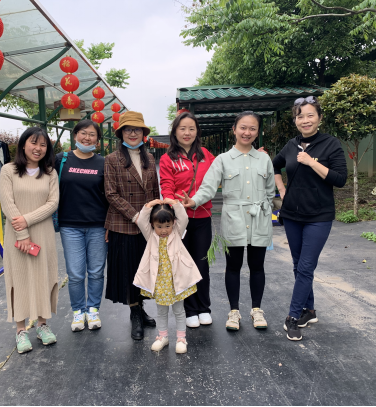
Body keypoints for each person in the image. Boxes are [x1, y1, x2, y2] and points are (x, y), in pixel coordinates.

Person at [179, 111, 275, 331]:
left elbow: (270, 191)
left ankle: (257, 310)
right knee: (233, 266)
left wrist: (266, 209)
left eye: (252, 128)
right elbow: (208, 187)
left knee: (257, 266)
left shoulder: (264, 159)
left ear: (257, 132)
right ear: (234, 129)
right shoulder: (223, 160)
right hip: (234, 219)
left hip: (259, 219)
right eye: (243, 127)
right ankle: (234, 311)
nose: (247, 132)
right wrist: (193, 201)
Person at [272, 96, 347, 342]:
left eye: (310, 115)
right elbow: (274, 166)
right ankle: (310, 311)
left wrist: (312, 162)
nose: (305, 120)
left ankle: (293, 317)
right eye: (300, 116)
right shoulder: (291, 145)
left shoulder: (330, 144)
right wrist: (282, 189)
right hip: (292, 214)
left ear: (319, 118)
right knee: (298, 265)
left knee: (305, 267)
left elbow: (340, 179)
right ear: (295, 120)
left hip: (319, 216)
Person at [0, 127, 59, 354]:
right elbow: (7, 203)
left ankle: (42, 325)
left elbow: (53, 203)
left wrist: (27, 220)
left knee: (44, 275)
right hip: (16, 236)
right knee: (19, 278)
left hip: (43, 232)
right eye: (34, 143)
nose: (38, 148)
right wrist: (22, 233)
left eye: (43, 145)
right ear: (23, 144)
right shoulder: (8, 170)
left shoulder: (50, 173)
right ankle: (20, 330)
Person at [104, 111, 160, 341]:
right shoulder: (112, 159)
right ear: (121, 134)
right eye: (128, 129)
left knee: (145, 269)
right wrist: (135, 216)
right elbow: (111, 193)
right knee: (129, 270)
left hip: (147, 225)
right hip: (124, 224)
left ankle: (141, 308)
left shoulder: (150, 159)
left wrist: (156, 218)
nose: (133, 133)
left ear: (143, 133)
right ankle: (134, 313)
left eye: (137, 129)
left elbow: (155, 192)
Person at [159, 112, 216, 329]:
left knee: (201, 262)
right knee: (183, 264)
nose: (187, 133)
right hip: (180, 221)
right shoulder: (167, 159)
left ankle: (204, 308)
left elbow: (219, 174)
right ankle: (190, 310)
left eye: (192, 129)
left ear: (197, 132)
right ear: (175, 132)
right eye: (182, 128)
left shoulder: (206, 155)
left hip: (202, 217)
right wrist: (175, 204)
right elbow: (166, 186)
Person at [55, 120, 108, 333]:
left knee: (96, 271)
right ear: (75, 135)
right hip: (70, 225)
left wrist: (109, 225)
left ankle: (93, 309)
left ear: (98, 139)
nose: (87, 138)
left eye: (92, 134)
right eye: (83, 133)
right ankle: (78, 311)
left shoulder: (103, 163)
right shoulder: (61, 159)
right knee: (76, 273)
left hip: (98, 225)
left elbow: (109, 195)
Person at [133, 199, 202, 354]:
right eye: (159, 226)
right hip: (160, 282)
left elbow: (184, 218)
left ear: (173, 223)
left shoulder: (176, 233)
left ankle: (181, 338)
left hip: (176, 282)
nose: (163, 230)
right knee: (161, 311)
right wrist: (148, 206)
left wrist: (175, 203)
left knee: (179, 310)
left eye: (167, 226)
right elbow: (141, 221)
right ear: (152, 225)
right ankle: (162, 336)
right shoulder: (150, 236)